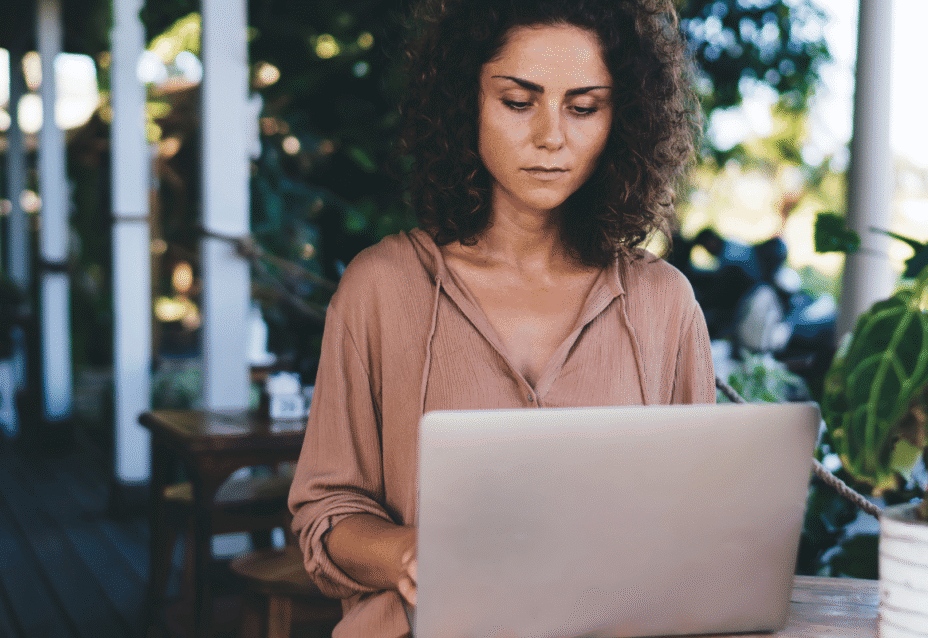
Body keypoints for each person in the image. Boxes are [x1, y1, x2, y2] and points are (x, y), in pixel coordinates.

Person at [287, 1, 715, 634]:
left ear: (623, 118)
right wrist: (406, 550)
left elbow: (700, 524)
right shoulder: (382, 288)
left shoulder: (662, 304)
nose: (551, 137)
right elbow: (327, 514)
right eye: (519, 102)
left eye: (584, 107)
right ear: (466, 102)